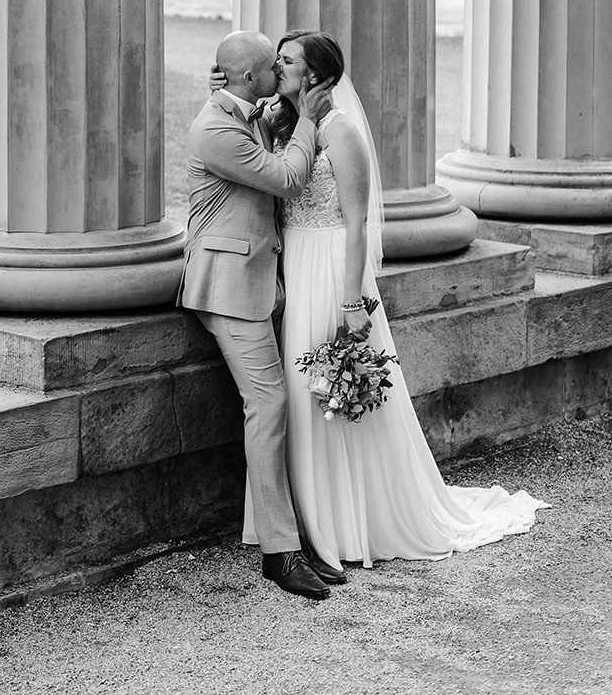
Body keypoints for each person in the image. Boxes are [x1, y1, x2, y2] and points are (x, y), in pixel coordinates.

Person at [220, 29, 548, 569]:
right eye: (275, 62)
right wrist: (228, 83)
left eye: (287, 62)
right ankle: (299, 519)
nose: (276, 70)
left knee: (331, 395)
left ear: (317, 77)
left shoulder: (342, 133)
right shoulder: (280, 124)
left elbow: (357, 223)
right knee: (301, 400)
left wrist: (351, 299)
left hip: (331, 270)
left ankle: (349, 522)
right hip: (293, 268)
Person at [177, 29, 340, 601]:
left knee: (274, 402)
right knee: (268, 403)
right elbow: (288, 178)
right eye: (272, 65)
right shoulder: (216, 128)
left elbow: (268, 121)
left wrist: (288, 110)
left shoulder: (242, 109)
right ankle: (279, 553)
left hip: (255, 279)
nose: (279, 71)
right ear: (250, 78)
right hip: (227, 288)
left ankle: (293, 536)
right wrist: (313, 120)